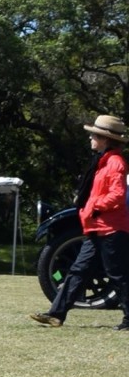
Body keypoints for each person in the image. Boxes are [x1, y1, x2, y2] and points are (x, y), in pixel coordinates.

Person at [32, 114, 129, 329]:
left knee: (118, 274)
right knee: (78, 270)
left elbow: (117, 195)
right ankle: (56, 314)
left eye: (94, 135)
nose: (91, 138)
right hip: (96, 228)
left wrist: (94, 206)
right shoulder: (102, 162)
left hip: (111, 229)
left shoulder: (115, 162)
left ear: (105, 139)